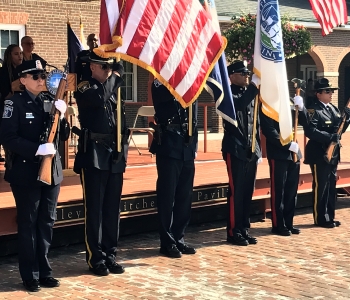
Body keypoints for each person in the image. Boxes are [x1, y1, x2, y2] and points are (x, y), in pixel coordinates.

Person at [0, 60, 69, 292]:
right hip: (26, 170)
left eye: (42, 76)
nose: (41, 80)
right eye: (36, 76)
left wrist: (64, 115)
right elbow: (8, 137)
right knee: (29, 223)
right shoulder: (13, 103)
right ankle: (30, 274)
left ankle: (45, 270)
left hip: (51, 171)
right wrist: (36, 149)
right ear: (23, 80)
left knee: (47, 221)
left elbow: (63, 134)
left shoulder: (50, 101)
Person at [73, 51, 126, 276]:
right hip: (93, 153)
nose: (107, 71)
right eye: (103, 67)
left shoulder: (112, 91)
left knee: (112, 208)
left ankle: (110, 254)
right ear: (93, 67)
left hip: (113, 152)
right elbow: (97, 99)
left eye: (109, 68)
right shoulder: (86, 87)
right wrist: (115, 75)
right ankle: (96, 258)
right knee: (94, 209)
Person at [150, 79, 198, 258]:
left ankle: (179, 237)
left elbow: (193, 110)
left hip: (187, 144)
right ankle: (167, 241)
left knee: (184, 196)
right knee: (167, 195)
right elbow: (164, 98)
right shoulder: (160, 81)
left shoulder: (190, 78)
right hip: (169, 144)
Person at [223, 60, 261, 246]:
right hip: (235, 147)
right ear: (231, 76)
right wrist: (254, 87)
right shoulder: (227, 92)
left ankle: (244, 228)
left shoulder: (250, 94)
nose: (247, 76)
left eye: (248, 73)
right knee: (236, 192)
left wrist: (258, 148)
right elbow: (238, 106)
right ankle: (233, 231)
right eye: (242, 73)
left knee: (247, 191)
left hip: (251, 148)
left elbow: (256, 122)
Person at [260, 95, 309, 236]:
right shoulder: (269, 106)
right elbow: (269, 131)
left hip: (294, 153)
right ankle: (278, 224)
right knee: (279, 191)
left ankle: (289, 223)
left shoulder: (290, 103)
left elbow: (306, 122)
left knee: (291, 191)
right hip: (279, 153)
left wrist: (302, 108)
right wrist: (287, 145)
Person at [304, 78, 350, 228]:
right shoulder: (314, 110)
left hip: (333, 153)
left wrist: (347, 118)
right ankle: (320, 218)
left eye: (332, 91)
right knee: (321, 186)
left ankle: (329, 217)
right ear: (318, 94)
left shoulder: (334, 109)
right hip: (319, 154)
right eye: (327, 91)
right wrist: (330, 137)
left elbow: (339, 130)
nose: (331, 94)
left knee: (331, 186)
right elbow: (310, 131)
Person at [0, 44, 23, 163]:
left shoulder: (24, 71)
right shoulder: (3, 72)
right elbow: (6, 95)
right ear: (9, 56)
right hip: (6, 109)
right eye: (16, 54)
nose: (20, 56)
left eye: (20, 53)